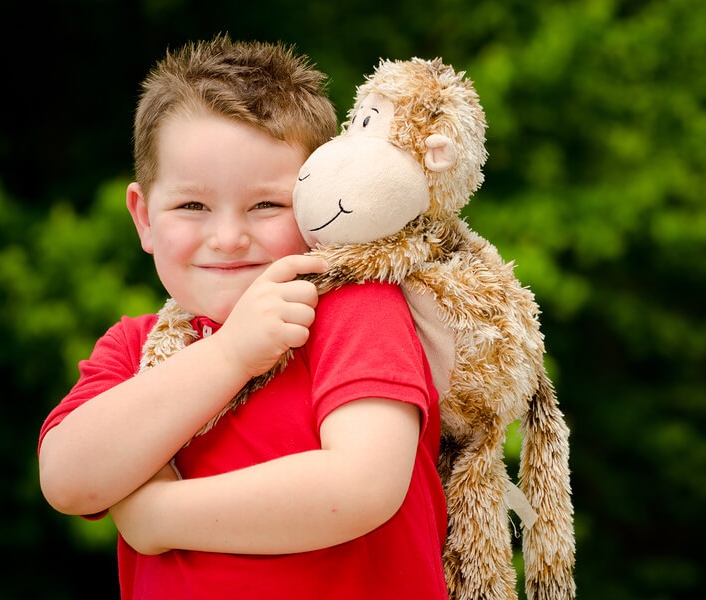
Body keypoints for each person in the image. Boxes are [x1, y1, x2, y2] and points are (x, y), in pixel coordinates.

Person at [37, 33, 448, 599]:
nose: (229, 238)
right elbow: (68, 479)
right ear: (144, 218)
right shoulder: (136, 349)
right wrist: (231, 353)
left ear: (318, 199)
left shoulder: (352, 308)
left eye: (266, 205)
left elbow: (364, 485)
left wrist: (160, 515)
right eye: (192, 206)